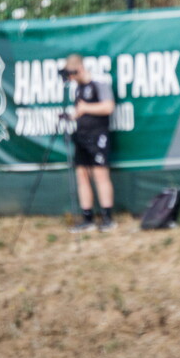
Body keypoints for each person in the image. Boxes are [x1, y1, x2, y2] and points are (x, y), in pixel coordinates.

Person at [60, 53, 117, 232]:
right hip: (81, 135)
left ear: (80, 68)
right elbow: (80, 111)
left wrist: (86, 108)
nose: (71, 77)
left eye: (72, 73)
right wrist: (70, 116)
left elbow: (108, 106)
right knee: (82, 175)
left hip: (98, 135)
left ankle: (107, 218)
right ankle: (87, 218)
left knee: (100, 175)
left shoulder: (99, 83)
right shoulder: (77, 88)